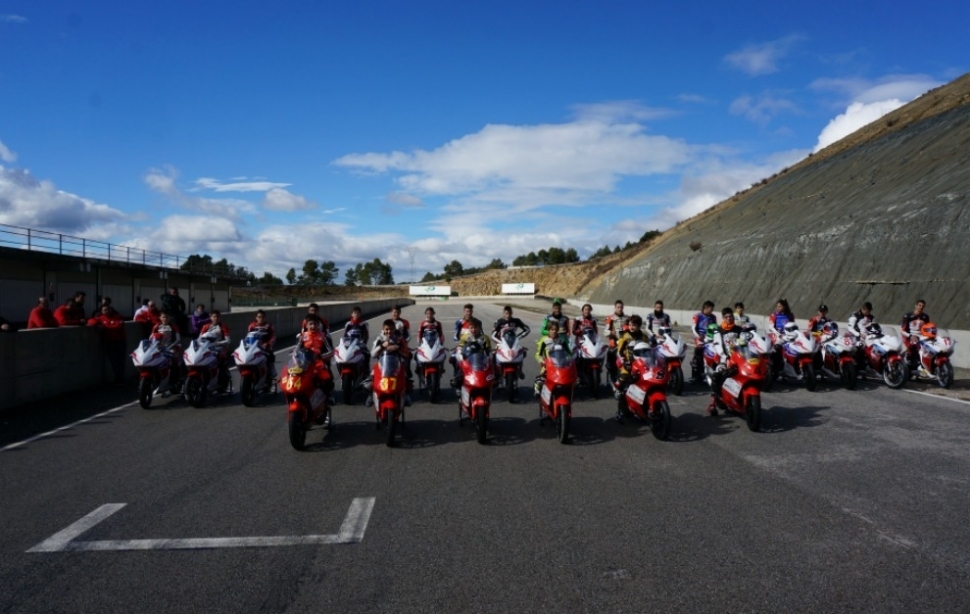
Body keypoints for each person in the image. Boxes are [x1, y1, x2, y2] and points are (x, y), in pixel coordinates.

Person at [613, 314, 654, 421]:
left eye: (634, 325)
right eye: (630, 324)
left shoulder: (644, 337)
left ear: (639, 326)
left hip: (643, 365)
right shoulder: (625, 336)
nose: (631, 327)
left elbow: (649, 350)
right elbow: (619, 352)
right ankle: (620, 412)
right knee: (621, 385)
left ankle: (646, 407)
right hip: (628, 365)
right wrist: (624, 362)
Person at [705, 309, 744, 416]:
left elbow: (745, 342)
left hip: (740, 359)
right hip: (725, 359)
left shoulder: (739, 329)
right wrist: (725, 356)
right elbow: (718, 345)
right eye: (727, 317)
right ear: (723, 318)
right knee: (717, 375)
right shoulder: (718, 331)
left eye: (731, 316)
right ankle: (716, 400)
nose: (729, 318)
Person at [370, 318, 412, 406]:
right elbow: (372, 354)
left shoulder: (399, 339)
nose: (389, 331)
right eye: (387, 329)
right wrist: (382, 346)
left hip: (396, 365)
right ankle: (372, 395)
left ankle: (405, 394)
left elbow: (407, 355)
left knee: (406, 378)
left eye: (391, 329)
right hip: (382, 365)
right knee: (371, 378)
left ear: (394, 329)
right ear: (383, 329)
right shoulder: (379, 339)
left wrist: (398, 348)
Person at [298, 315, 336, 409]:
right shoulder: (303, 336)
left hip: (319, 363)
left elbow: (331, 351)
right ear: (306, 325)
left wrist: (321, 356)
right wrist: (295, 357)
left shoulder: (323, 336)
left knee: (327, 379)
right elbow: (296, 351)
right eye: (310, 324)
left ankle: (328, 396)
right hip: (305, 363)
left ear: (318, 325)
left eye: (315, 324)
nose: (313, 326)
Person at [88, 304, 127, 386]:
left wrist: (106, 327)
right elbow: (90, 321)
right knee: (114, 362)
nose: (107, 311)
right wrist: (97, 325)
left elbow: (118, 326)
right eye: (105, 310)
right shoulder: (101, 318)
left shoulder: (117, 317)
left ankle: (120, 379)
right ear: (101, 311)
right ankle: (118, 378)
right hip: (109, 343)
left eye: (108, 309)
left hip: (120, 342)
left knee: (121, 361)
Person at [534, 319, 570, 398]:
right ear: (548, 330)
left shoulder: (562, 341)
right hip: (548, 366)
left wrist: (569, 359)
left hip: (561, 365)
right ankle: (538, 390)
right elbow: (538, 354)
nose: (554, 331)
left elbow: (569, 353)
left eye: (555, 330)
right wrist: (541, 360)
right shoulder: (544, 341)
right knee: (540, 381)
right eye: (552, 330)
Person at [199, 310, 232, 392]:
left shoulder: (223, 326)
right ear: (210, 317)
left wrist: (217, 343)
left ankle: (221, 382)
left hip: (219, 348)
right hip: (206, 348)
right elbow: (199, 339)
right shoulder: (205, 326)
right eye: (214, 316)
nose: (216, 318)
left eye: (217, 316)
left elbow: (228, 340)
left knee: (221, 363)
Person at [151, 311, 184, 386]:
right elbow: (151, 338)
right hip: (158, 348)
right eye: (163, 317)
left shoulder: (173, 326)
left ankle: (175, 379)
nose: (165, 319)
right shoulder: (156, 326)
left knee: (173, 361)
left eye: (166, 317)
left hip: (170, 347)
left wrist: (170, 347)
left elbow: (178, 339)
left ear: (169, 318)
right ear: (160, 318)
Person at [248, 309, 278, 384]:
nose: (261, 318)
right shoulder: (252, 325)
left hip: (265, 347)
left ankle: (271, 369)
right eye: (259, 317)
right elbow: (248, 336)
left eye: (262, 317)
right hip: (254, 347)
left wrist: (268, 343)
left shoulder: (269, 326)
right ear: (256, 317)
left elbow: (273, 336)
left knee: (270, 356)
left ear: (265, 317)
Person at [604, 300, 630, 383]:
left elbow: (632, 329)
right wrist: (611, 333)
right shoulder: (610, 318)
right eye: (618, 307)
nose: (620, 309)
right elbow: (605, 332)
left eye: (621, 307)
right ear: (615, 308)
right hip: (614, 345)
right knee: (610, 363)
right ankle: (612, 377)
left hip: (626, 344)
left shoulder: (628, 318)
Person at [690, 300, 717, 383]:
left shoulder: (713, 317)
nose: (712, 311)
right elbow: (693, 328)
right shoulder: (697, 316)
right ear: (706, 308)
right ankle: (695, 375)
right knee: (698, 352)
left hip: (710, 337)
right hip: (699, 337)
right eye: (711, 309)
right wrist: (699, 336)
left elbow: (715, 328)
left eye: (712, 309)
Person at [901, 299, 930, 369]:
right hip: (909, 336)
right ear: (916, 306)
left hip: (921, 337)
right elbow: (902, 330)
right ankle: (906, 359)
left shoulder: (925, 317)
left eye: (923, 306)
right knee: (913, 347)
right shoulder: (908, 316)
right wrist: (910, 336)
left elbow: (928, 328)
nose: (921, 307)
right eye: (919, 305)